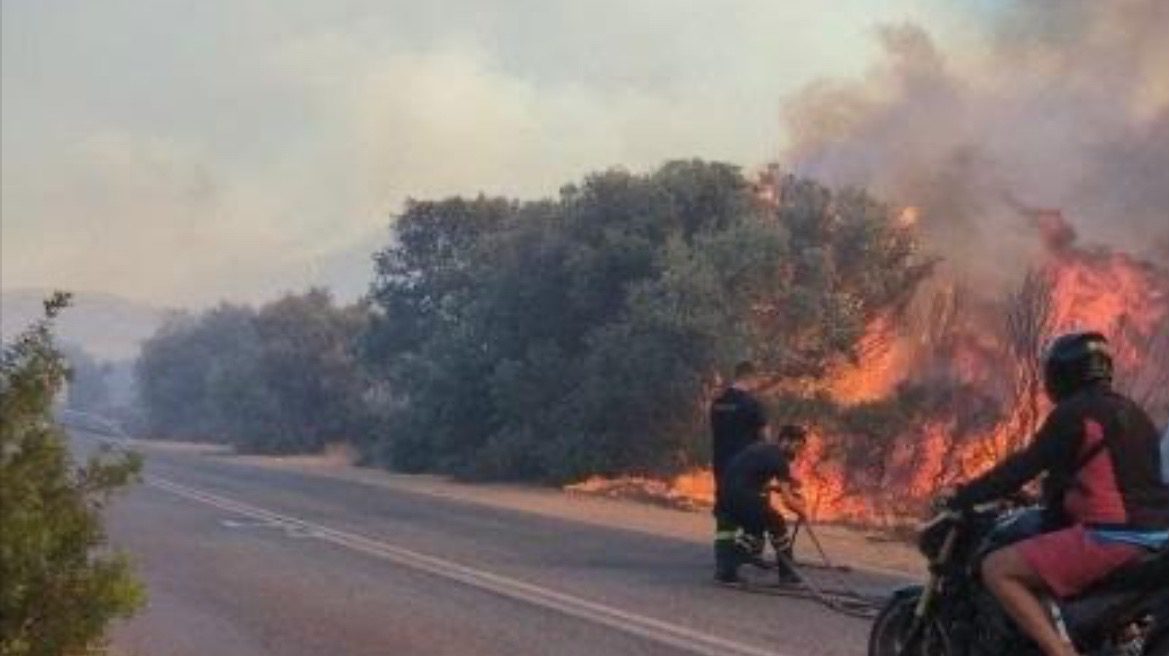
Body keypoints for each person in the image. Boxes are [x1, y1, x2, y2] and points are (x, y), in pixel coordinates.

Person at [948, 331, 1169, 656]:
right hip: (1154, 535)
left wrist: (964, 496)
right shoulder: (1134, 414)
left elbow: (1021, 467)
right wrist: (1037, 501)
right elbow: (1099, 482)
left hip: (1112, 537)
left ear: (1063, 373)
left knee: (998, 568)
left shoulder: (1076, 414)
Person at [715, 425, 810, 584]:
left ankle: (727, 570)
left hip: (725, 497)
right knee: (777, 522)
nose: (797, 453)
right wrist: (802, 511)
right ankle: (787, 574)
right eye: (797, 447)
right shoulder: (780, 460)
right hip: (743, 498)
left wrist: (776, 487)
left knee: (756, 529)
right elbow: (788, 501)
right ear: (785, 441)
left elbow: (750, 478)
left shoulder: (761, 449)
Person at [710, 360, 770, 582]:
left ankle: (723, 565)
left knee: (725, 514)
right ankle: (739, 558)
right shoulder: (752, 404)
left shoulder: (718, 403)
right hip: (746, 469)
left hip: (721, 465)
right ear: (750, 377)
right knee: (753, 512)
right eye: (757, 380)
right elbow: (765, 438)